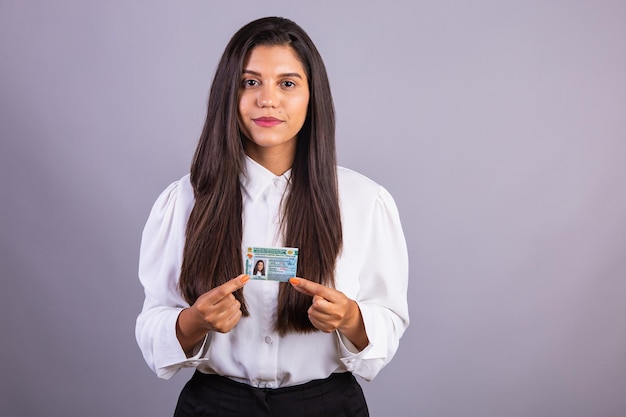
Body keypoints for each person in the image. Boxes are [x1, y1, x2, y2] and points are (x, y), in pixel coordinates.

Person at [136, 16, 409, 417]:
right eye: (250, 82)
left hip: (325, 405)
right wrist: (194, 321)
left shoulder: (364, 201)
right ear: (228, 93)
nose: (268, 99)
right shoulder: (184, 200)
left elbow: (390, 321)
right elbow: (151, 324)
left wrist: (351, 318)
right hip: (215, 405)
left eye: (287, 83)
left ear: (312, 96)